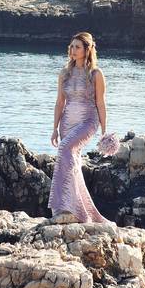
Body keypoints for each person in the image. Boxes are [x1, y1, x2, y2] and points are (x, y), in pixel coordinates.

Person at [48, 31, 112, 223]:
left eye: (77, 47)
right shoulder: (64, 73)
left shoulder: (96, 74)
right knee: (72, 161)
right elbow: (60, 102)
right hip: (67, 122)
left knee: (65, 149)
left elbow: (100, 103)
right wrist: (54, 128)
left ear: (87, 50)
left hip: (88, 121)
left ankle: (68, 206)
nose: (73, 50)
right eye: (72, 46)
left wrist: (104, 131)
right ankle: (72, 209)